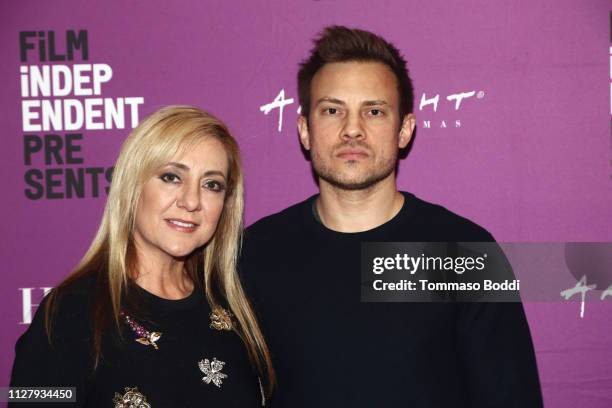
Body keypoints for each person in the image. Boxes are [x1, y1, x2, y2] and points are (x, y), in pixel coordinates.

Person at [240, 26, 543, 407]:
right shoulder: (255, 254)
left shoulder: (464, 253)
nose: (353, 130)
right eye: (332, 111)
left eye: (374, 111)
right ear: (304, 130)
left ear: (404, 130)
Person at [10, 106, 274, 407]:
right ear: (132, 185)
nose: (191, 201)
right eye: (172, 177)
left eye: (211, 185)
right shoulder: (69, 311)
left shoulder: (233, 308)